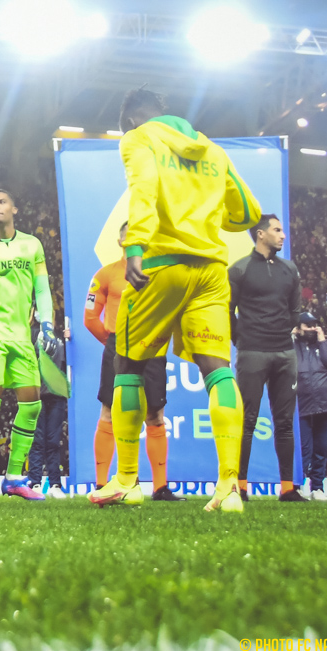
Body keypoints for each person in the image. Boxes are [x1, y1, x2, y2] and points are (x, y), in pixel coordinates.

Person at [90, 88, 259, 512]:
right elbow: (247, 212)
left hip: (162, 265)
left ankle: (127, 482)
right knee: (217, 370)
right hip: (210, 270)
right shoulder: (213, 150)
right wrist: (204, 214)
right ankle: (229, 488)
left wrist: (136, 246)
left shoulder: (138, 138)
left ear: (130, 120)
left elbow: (143, 187)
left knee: (127, 363)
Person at [0, 188, 56, 501]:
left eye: (1, 202)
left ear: (14, 208)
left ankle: (15, 477)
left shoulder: (32, 244)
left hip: (21, 334)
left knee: (32, 406)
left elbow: (42, 289)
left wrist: (47, 323)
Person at [84, 221, 180, 499]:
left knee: (155, 415)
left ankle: (160, 488)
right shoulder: (105, 274)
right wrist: (114, 343)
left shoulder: (161, 272)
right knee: (109, 414)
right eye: (130, 236)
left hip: (153, 346)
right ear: (120, 241)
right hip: (118, 345)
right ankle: (102, 484)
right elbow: (90, 318)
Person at [228, 213, 304, 501]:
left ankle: (287, 488)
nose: (283, 235)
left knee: (284, 422)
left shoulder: (290, 269)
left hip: (285, 353)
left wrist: (279, 335)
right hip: (252, 353)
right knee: (246, 421)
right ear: (261, 234)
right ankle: (241, 486)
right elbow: (228, 311)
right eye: (277, 230)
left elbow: (295, 310)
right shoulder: (240, 270)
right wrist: (244, 341)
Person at [294, 310, 327, 501]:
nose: (313, 329)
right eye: (308, 326)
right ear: (298, 328)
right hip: (302, 405)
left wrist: (322, 339)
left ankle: (318, 488)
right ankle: (297, 486)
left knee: (321, 449)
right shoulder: (293, 346)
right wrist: (292, 335)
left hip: (325, 404)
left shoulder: (324, 346)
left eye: (315, 325)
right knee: (303, 450)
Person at [26, 323, 71, 498]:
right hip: (37, 393)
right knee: (37, 441)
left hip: (57, 394)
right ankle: (35, 482)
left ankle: (55, 485)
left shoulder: (62, 335)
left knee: (53, 441)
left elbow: (69, 361)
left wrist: (70, 341)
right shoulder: (31, 334)